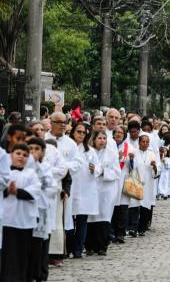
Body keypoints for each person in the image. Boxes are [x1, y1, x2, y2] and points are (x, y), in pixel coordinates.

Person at [1, 143, 41, 281]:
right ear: (11, 154)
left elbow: (36, 192)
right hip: (7, 219)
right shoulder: (5, 172)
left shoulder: (31, 174)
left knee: (23, 252)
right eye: (18, 153)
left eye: (25, 155)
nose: (21, 157)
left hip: (25, 220)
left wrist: (17, 191)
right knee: (7, 251)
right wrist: (6, 190)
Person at [45, 112, 80, 266]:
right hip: (42, 185)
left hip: (60, 185)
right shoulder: (43, 139)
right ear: (50, 122)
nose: (62, 125)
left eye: (64, 122)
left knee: (58, 220)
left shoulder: (70, 143)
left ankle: (56, 253)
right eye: (58, 122)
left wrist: (63, 168)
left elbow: (77, 162)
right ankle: (42, 253)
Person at [27, 137, 57, 282]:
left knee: (40, 244)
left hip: (41, 210)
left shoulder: (45, 167)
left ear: (43, 152)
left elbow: (51, 188)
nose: (33, 152)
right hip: (25, 211)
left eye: (37, 149)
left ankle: (40, 274)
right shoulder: (22, 166)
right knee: (28, 245)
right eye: (30, 149)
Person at [87, 130, 120, 256]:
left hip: (106, 189)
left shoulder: (111, 154)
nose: (102, 140)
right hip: (92, 188)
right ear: (94, 139)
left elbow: (116, 172)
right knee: (91, 217)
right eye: (99, 138)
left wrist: (101, 171)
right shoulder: (89, 152)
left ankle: (102, 246)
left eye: (104, 138)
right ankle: (89, 246)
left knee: (104, 217)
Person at [69, 123, 100, 258]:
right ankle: (68, 247)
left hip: (85, 188)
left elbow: (98, 166)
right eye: (78, 132)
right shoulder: (68, 147)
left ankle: (78, 249)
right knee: (68, 220)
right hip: (70, 188)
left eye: (83, 132)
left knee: (82, 220)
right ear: (73, 132)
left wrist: (95, 169)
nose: (81, 134)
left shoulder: (90, 151)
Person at [111, 125, 134, 243]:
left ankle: (120, 233)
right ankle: (111, 232)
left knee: (123, 207)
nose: (119, 134)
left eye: (121, 132)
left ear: (124, 135)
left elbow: (133, 167)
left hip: (124, 179)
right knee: (112, 206)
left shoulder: (128, 147)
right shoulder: (109, 145)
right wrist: (117, 157)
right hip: (111, 179)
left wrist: (131, 160)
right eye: (117, 132)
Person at [134, 134, 157, 236]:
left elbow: (157, 169)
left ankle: (142, 228)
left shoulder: (152, 154)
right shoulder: (134, 153)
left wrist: (154, 167)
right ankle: (133, 228)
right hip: (136, 181)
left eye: (147, 142)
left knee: (146, 205)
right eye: (143, 142)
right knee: (135, 205)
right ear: (139, 142)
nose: (145, 143)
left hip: (148, 182)